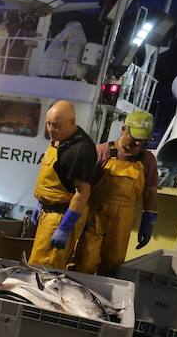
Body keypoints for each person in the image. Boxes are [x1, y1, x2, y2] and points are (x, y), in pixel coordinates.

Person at [71, 111, 158, 275]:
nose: (138, 143)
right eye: (135, 138)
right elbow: (80, 188)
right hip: (94, 218)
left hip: (122, 222)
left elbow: (150, 191)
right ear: (124, 129)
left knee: (113, 266)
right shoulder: (102, 151)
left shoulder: (147, 160)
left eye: (143, 140)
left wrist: (149, 220)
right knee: (84, 264)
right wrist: (72, 219)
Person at [29, 101, 96, 269]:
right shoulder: (59, 139)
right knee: (36, 263)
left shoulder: (81, 150)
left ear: (72, 122)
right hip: (47, 212)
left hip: (60, 217)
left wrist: (65, 227)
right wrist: (41, 203)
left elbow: (83, 193)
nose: (51, 130)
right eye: (48, 123)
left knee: (43, 269)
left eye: (56, 126)